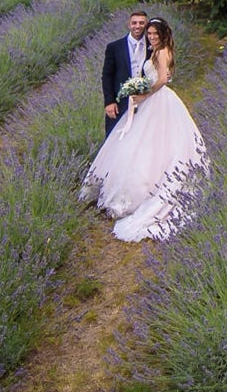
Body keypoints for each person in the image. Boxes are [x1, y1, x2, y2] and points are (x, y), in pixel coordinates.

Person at [80, 16, 205, 242]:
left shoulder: (160, 51)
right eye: (150, 33)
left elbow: (163, 79)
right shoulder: (151, 50)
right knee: (136, 140)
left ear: (163, 34)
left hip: (158, 100)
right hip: (149, 100)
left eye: (155, 34)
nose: (151, 36)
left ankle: (147, 188)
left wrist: (145, 93)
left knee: (156, 142)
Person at [102, 8, 150, 136]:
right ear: (129, 25)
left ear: (146, 25)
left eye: (141, 23)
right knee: (116, 137)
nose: (137, 26)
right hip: (120, 101)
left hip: (146, 100)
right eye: (134, 23)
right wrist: (109, 102)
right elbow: (107, 76)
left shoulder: (153, 45)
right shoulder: (114, 47)